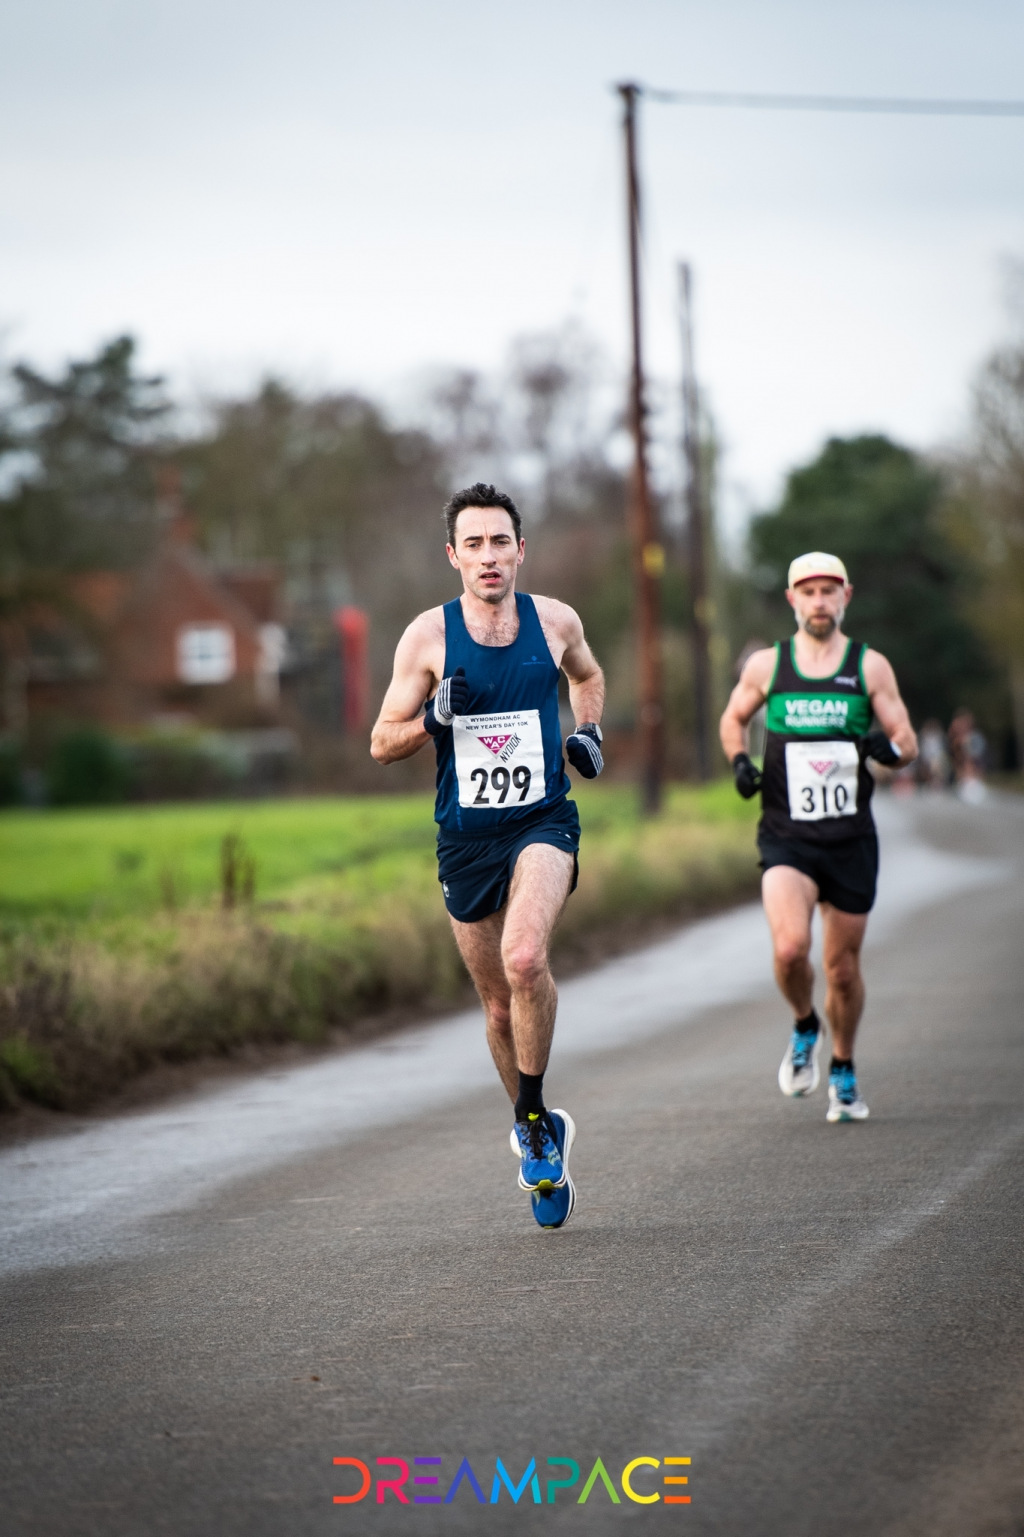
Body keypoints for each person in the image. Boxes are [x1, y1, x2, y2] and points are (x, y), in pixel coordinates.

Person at [370, 483, 605, 1226]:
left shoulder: (556, 620)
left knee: (526, 958)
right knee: (499, 1007)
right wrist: (432, 717)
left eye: (499, 541)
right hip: (466, 839)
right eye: (472, 544)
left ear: (520, 548)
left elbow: (588, 677)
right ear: (453, 558)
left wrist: (589, 733)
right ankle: (538, 1128)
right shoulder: (427, 638)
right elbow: (381, 740)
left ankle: (530, 1111)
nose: (488, 555)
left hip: (542, 820)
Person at [719, 552, 917, 1122]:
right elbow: (732, 719)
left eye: (830, 591)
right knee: (788, 949)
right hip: (787, 837)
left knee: (844, 970)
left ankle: (845, 1067)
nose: (820, 601)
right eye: (809, 592)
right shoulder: (768, 667)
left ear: (846, 596)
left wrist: (892, 750)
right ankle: (806, 1024)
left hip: (850, 839)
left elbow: (906, 738)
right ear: (792, 600)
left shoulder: (868, 666)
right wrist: (738, 761)